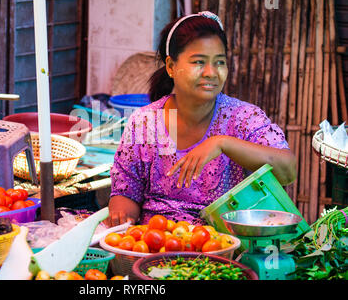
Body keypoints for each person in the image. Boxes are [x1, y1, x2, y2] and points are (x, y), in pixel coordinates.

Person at [106, 11, 297, 227]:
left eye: (219, 62)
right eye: (199, 62)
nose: (211, 72)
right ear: (171, 67)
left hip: (222, 248)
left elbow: (287, 171)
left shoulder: (243, 118)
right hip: (155, 243)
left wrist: (223, 143)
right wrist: (121, 216)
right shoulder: (145, 122)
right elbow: (126, 191)